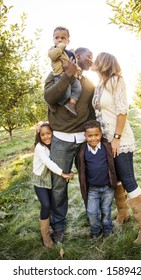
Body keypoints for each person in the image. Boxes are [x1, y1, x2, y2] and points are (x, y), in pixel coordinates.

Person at [92, 52, 141, 245]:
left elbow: (122, 111)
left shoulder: (116, 81)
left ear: (104, 63)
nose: (93, 62)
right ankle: (123, 213)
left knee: (128, 179)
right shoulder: (100, 85)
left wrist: (117, 138)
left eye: (96, 60)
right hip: (106, 140)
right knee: (117, 178)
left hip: (120, 139)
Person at [44, 47, 95, 243]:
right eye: (88, 56)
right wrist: (67, 75)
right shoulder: (55, 75)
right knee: (59, 186)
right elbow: (50, 98)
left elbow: (90, 111)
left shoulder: (89, 84)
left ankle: (93, 221)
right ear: (76, 57)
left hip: (83, 141)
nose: (91, 60)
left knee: (89, 181)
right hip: (61, 140)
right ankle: (58, 227)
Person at [32, 122, 73, 248]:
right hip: (40, 181)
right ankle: (46, 237)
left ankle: (52, 227)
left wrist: (68, 170)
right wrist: (63, 174)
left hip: (50, 179)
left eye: (49, 133)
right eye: (43, 134)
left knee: (52, 204)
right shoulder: (39, 147)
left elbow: (63, 157)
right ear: (39, 136)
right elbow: (48, 162)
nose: (46, 137)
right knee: (46, 204)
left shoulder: (54, 145)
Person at [77, 120, 117, 238]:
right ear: (85, 136)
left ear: (101, 134)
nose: (93, 138)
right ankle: (95, 231)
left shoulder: (106, 147)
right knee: (92, 212)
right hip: (92, 189)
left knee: (106, 210)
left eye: (96, 135)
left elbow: (113, 164)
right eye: (90, 136)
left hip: (107, 188)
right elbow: (80, 167)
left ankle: (108, 230)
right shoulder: (82, 151)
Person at [48, 26, 82, 116]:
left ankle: (71, 104)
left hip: (72, 76)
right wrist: (59, 48)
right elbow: (52, 56)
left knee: (78, 88)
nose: (59, 40)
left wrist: (78, 71)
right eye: (57, 38)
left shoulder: (70, 52)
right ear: (53, 39)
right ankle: (53, 103)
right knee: (66, 92)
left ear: (68, 41)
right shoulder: (53, 50)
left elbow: (75, 63)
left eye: (63, 38)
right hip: (60, 76)